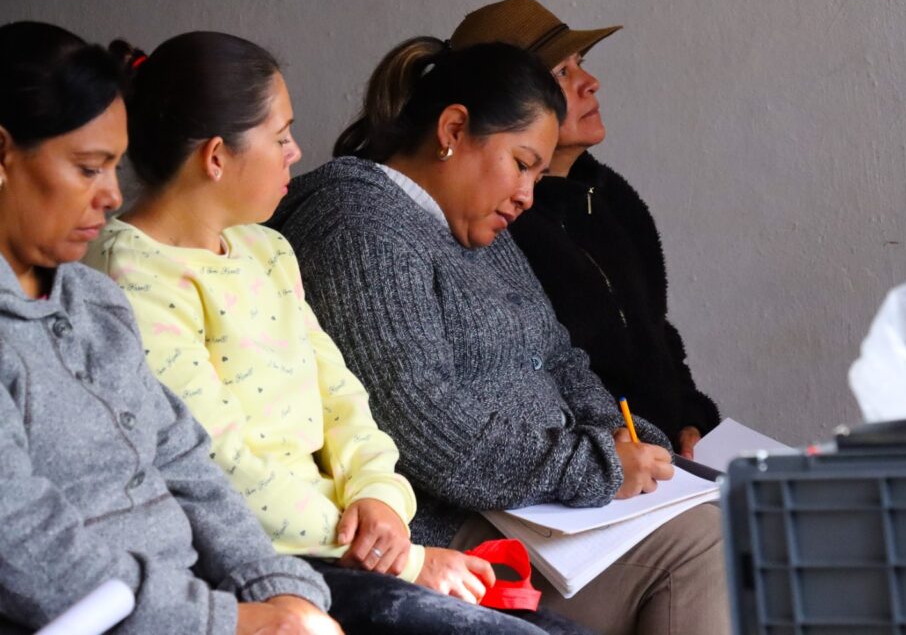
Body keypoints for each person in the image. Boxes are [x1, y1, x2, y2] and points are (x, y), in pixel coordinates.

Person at [84, 31, 581, 635]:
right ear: (217, 156)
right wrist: (398, 555)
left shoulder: (265, 248)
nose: (296, 152)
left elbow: (344, 401)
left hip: (345, 544)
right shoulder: (133, 276)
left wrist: (380, 499)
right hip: (264, 562)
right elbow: (215, 464)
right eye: (281, 136)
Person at [267, 37, 730, 634]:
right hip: (459, 520)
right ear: (453, 129)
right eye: (521, 164)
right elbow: (422, 425)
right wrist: (597, 468)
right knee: (707, 551)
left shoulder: (475, 226)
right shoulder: (356, 226)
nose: (527, 195)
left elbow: (560, 356)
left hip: (547, 509)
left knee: (740, 524)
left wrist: (618, 434)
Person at [0, 21, 339, 635]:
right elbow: (24, 546)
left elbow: (186, 461)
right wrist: (236, 622)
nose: (110, 197)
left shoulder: (93, 302)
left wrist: (280, 593)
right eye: (87, 169)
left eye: (115, 168)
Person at [449, 0, 721, 458]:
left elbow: (655, 329)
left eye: (581, 64)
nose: (590, 83)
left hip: (666, 459)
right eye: (560, 74)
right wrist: (607, 457)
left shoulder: (611, 195)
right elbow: (529, 373)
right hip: (591, 472)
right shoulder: (494, 225)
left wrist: (691, 417)